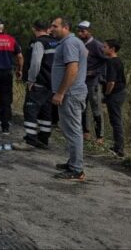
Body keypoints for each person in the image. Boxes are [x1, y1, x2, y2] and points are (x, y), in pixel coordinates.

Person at [50, 17, 88, 181]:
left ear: (65, 27)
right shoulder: (70, 43)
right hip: (72, 93)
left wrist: (60, 92)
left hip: (71, 94)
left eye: (55, 26)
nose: (51, 29)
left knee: (73, 131)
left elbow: (72, 69)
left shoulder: (70, 43)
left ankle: (76, 170)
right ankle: (73, 162)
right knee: (71, 130)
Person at [14, 20, 58, 150]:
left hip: (39, 83)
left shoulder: (39, 43)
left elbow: (35, 63)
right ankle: (43, 139)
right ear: (47, 28)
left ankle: (30, 140)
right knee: (46, 112)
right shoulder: (55, 42)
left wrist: (31, 80)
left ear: (35, 29)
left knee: (30, 110)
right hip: (51, 83)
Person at [76, 21, 108, 144]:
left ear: (90, 31)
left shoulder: (97, 45)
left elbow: (107, 61)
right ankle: (85, 132)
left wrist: (95, 73)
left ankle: (100, 136)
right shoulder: (80, 44)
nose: (80, 33)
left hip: (93, 82)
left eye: (83, 31)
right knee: (83, 107)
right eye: (79, 31)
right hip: (81, 80)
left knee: (96, 108)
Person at [102, 39, 127, 158]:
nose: (103, 49)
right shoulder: (117, 61)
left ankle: (119, 148)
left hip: (115, 94)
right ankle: (117, 146)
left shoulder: (112, 62)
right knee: (115, 120)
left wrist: (106, 94)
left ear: (112, 49)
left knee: (116, 120)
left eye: (105, 47)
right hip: (119, 92)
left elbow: (111, 82)